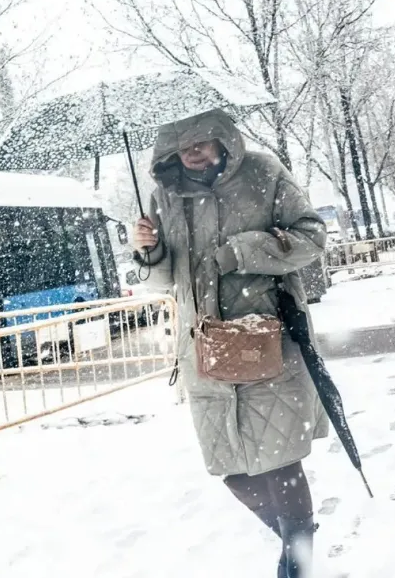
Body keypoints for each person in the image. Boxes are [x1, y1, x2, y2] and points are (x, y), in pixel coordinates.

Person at [133, 109, 329, 578]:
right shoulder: (165, 194)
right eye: (181, 146)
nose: (191, 152)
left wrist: (244, 251)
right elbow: (165, 279)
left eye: (200, 141)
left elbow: (311, 236)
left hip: (266, 337)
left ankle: (298, 564)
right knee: (235, 472)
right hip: (205, 349)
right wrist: (149, 250)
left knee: (280, 461)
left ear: (221, 136)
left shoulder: (262, 172)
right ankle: (296, 541)